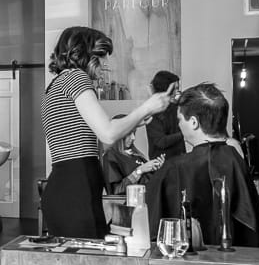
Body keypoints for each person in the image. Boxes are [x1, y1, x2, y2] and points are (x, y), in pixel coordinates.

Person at [41, 26, 174, 239]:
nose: (105, 63)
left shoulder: (56, 85)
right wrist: (147, 107)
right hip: (76, 191)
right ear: (81, 53)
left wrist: (135, 122)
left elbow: (90, 139)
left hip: (67, 188)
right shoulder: (76, 78)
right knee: (93, 260)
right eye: (100, 55)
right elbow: (108, 134)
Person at [145, 83, 259, 247]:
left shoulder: (173, 169)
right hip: (237, 258)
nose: (179, 125)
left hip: (187, 259)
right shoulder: (236, 160)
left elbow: (147, 227)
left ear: (194, 122)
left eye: (180, 120)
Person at [101, 114, 164, 195]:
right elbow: (116, 191)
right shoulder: (110, 157)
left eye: (134, 133)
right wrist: (139, 171)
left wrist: (158, 170)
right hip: (131, 202)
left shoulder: (136, 155)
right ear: (119, 134)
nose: (133, 138)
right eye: (129, 133)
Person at [145, 70, 186, 158]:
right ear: (165, 89)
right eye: (175, 88)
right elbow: (161, 141)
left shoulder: (176, 107)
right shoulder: (152, 112)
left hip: (180, 159)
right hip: (162, 162)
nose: (177, 92)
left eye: (178, 88)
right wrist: (185, 133)